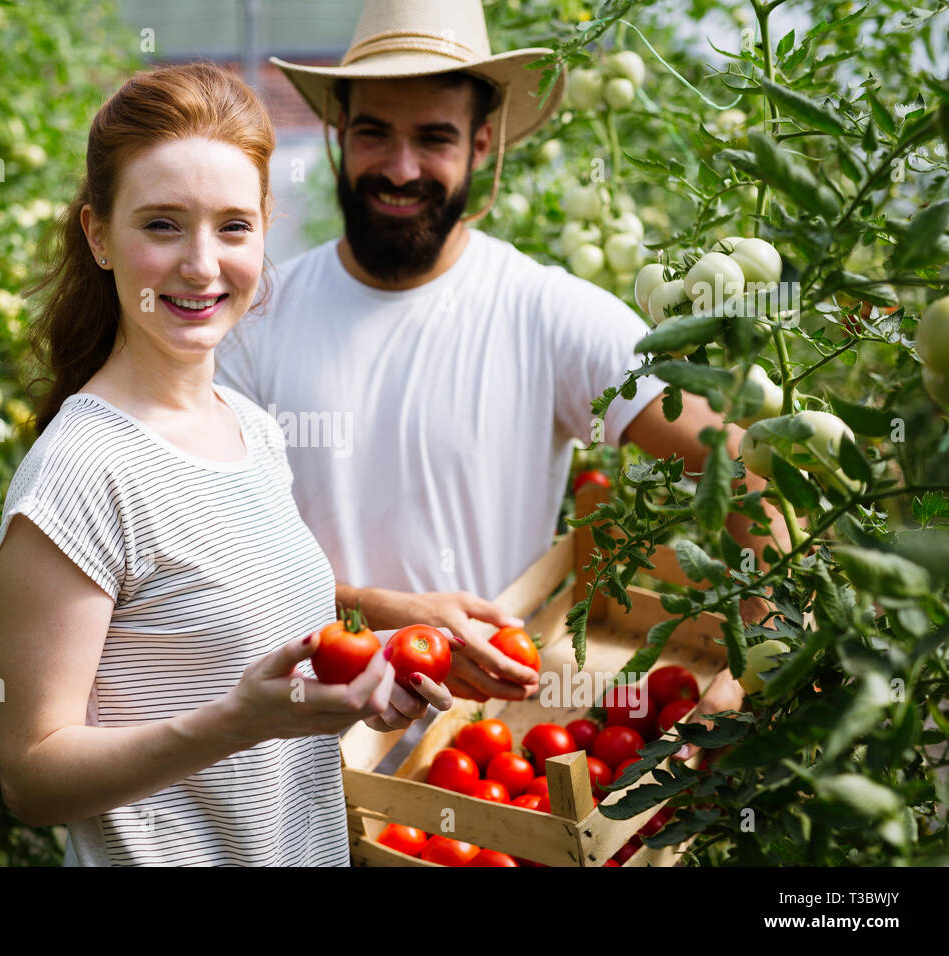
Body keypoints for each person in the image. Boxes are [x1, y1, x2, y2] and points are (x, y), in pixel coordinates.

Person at [215, 0, 788, 719]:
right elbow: (216, 548)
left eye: (434, 138)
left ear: (483, 144)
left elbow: (742, 470)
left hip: (477, 759)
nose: (400, 168)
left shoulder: (546, 312)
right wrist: (374, 609)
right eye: (373, 133)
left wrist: (750, 667)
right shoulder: (254, 321)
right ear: (337, 133)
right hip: (291, 747)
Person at [0, 63, 451, 867]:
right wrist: (234, 722)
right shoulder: (81, 471)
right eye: (162, 225)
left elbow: (246, 686)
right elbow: (32, 779)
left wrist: (356, 691)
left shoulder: (248, 428)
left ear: (267, 228)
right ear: (98, 235)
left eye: (233, 227)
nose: (203, 266)